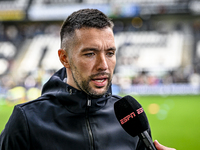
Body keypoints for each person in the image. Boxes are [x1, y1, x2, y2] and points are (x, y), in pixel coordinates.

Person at [0, 9, 175, 150]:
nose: (104, 65)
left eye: (110, 53)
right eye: (90, 53)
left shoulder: (130, 116)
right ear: (64, 58)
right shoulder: (27, 121)